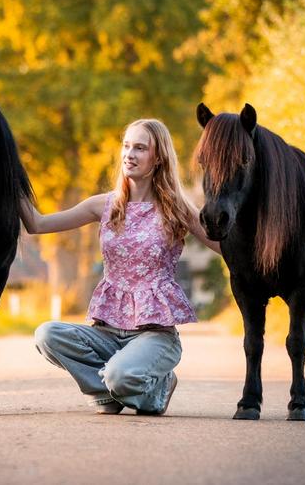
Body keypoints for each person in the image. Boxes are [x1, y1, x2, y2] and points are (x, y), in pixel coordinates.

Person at [20, 119, 220, 415]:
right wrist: (9, 178)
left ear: (158, 158)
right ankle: (111, 391)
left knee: (120, 375)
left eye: (140, 148)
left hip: (154, 336)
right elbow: (37, 224)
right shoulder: (104, 206)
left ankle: (155, 385)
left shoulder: (178, 208)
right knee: (47, 335)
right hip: (107, 333)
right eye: (126, 146)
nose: (129, 154)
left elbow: (225, 247)